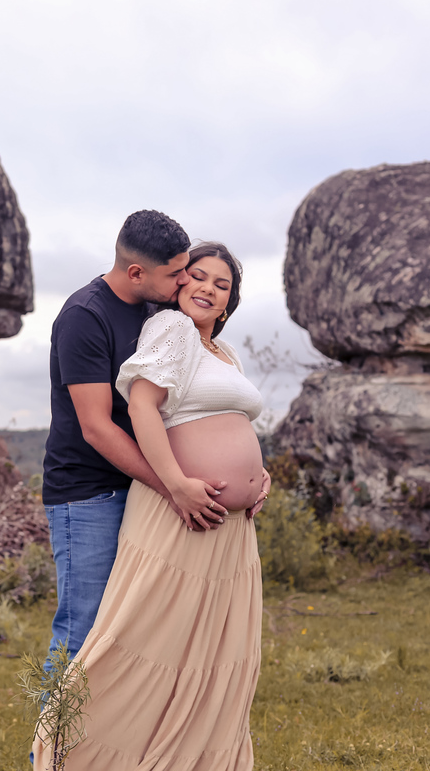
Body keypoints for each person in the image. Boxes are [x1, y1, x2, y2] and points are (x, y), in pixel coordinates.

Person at [34, 242, 271, 771]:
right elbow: (140, 407)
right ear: (178, 283)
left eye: (222, 284)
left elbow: (230, 422)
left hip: (228, 527)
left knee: (204, 647)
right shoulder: (169, 328)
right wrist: (177, 485)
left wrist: (257, 475)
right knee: (127, 637)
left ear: (230, 301)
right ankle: (62, 759)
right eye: (198, 276)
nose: (207, 288)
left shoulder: (223, 352)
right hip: (173, 508)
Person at [41, 211, 226, 676]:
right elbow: (97, 427)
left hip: (140, 489)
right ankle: (52, 729)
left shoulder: (157, 312)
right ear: (137, 272)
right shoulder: (85, 316)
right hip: (88, 495)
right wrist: (172, 487)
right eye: (176, 273)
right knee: (83, 630)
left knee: (132, 631)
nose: (184, 280)